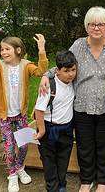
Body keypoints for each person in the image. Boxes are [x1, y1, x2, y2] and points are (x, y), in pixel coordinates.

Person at [40, 6, 105, 192]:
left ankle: (103, 181)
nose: (96, 28)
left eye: (101, 24)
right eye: (92, 24)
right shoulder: (78, 46)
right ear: (86, 26)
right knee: (85, 146)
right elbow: (63, 65)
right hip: (81, 105)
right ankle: (86, 180)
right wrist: (47, 75)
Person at [0, 30, 48, 192]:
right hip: (5, 116)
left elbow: (41, 71)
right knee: (9, 148)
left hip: (21, 115)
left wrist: (41, 49)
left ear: (18, 50)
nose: (3, 52)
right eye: (1, 50)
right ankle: (12, 175)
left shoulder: (26, 65)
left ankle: (20, 167)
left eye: (7, 49)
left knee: (23, 146)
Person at [34, 50, 77, 192]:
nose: (71, 74)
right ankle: (52, 187)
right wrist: (41, 130)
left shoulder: (73, 83)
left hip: (66, 129)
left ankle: (62, 185)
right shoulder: (49, 87)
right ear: (57, 71)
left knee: (63, 159)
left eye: (73, 70)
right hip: (49, 129)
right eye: (66, 71)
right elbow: (39, 110)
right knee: (49, 162)